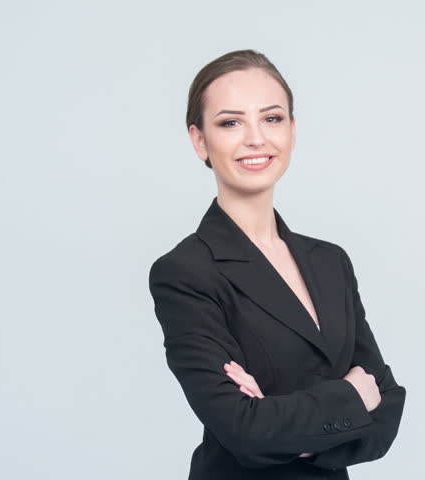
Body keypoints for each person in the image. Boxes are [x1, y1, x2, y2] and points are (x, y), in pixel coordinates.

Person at [148, 49, 407, 480]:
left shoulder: (330, 261)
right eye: (230, 122)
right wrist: (348, 398)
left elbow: (387, 406)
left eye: (272, 118)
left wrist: (284, 426)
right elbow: (243, 431)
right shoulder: (185, 272)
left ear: (292, 129)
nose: (256, 138)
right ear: (199, 140)